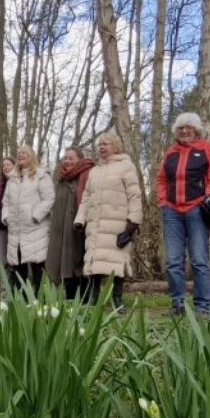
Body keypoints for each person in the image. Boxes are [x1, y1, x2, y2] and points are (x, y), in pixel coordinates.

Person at [156, 112, 210, 316]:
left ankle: (203, 307)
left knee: (199, 260)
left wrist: (207, 199)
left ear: (196, 130)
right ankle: (178, 304)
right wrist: (163, 201)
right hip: (172, 211)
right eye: (180, 128)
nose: (184, 131)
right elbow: (161, 180)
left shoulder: (205, 148)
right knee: (173, 261)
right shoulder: (170, 152)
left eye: (189, 128)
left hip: (196, 210)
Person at [74, 131, 141, 313]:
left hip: (117, 223)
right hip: (96, 224)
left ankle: (117, 299)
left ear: (115, 146)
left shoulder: (126, 166)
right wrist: (80, 219)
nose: (102, 147)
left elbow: (134, 195)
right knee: (95, 262)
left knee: (117, 261)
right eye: (100, 145)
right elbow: (86, 198)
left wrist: (133, 223)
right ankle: (93, 298)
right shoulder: (94, 171)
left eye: (106, 144)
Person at [1, 146, 54, 291]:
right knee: (18, 267)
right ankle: (21, 301)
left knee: (38, 266)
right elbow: (5, 201)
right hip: (16, 230)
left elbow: (49, 198)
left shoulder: (41, 175)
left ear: (31, 156)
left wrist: (35, 216)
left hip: (36, 229)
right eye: (18, 153)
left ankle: (41, 301)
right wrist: (6, 217)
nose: (20, 155)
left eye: (24, 153)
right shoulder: (12, 178)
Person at [47, 146, 95, 300]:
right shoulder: (61, 181)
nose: (67, 161)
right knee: (66, 261)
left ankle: (86, 298)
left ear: (80, 159)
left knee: (80, 260)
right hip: (63, 229)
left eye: (71, 158)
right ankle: (70, 297)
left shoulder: (87, 175)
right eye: (65, 158)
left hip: (81, 228)